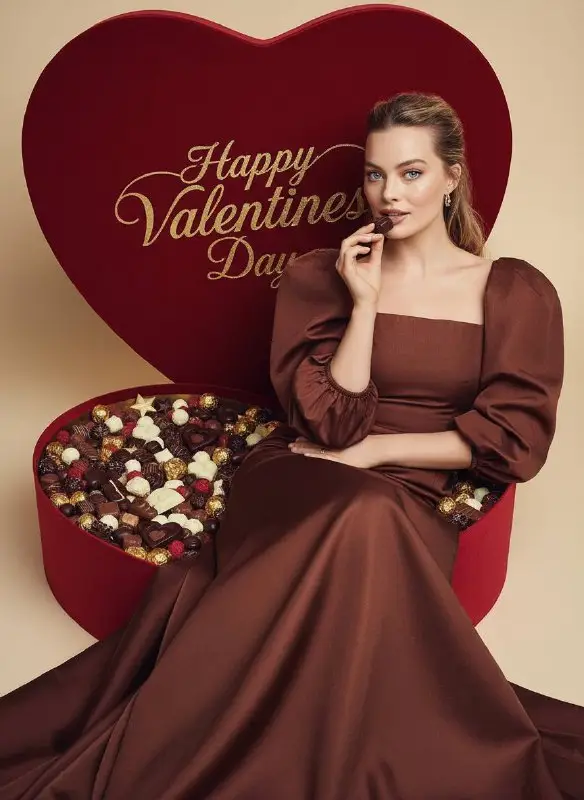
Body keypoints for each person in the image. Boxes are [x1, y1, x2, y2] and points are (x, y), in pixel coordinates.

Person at [0, 91, 582, 800]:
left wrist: (373, 459)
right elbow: (331, 428)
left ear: (452, 177)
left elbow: (515, 444)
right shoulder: (320, 277)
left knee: (370, 518)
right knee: (355, 514)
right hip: (301, 475)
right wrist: (363, 303)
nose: (389, 194)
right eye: (374, 175)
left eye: (411, 173)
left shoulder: (514, 292)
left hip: (408, 499)